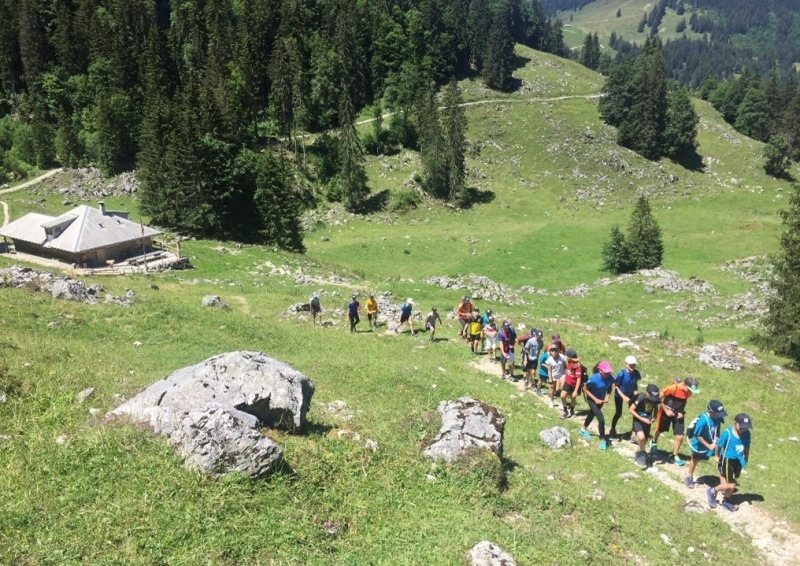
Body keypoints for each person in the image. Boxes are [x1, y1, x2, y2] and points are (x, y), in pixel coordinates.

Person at [650, 376, 700, 466]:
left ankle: (674, 455)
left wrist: (681, 412)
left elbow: (683, 402)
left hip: (678, 414)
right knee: (660, 430)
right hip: (665, 412)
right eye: (688, 389)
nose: (690, 392)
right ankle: (653, 442)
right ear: (684, 384)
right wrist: (666, 410)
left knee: (680, 436)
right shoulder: (673, 388)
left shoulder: (689, 393)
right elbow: (658, 398)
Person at [707, 413, 752, 512]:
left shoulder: (747, 434)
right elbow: (719, 445)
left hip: (738, 460)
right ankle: (711, 491)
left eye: (745, 428)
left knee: (731, 482)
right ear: (735, 423)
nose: (743, 430)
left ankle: (726, 501)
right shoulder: (727, 433)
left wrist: (746, 458)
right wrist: (717, 456)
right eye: (741, 427)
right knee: (731, 485)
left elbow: (747, 446)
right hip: (727, 460)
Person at [686, 400, 728, 488]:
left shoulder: (718, 418)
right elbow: (697, 435)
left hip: (713, 442)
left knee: (720, 460)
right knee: (695, 459)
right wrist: (708, 446)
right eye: (717, 414)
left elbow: (718, 428)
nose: (719, 416)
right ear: (710, 412)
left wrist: (718, 439)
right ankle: (689, 476)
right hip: (700, 444)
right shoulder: (703, 421)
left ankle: (723, 483)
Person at [579, 361, 615, 450]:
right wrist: (595, 399)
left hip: (601, 400)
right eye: (606, 372)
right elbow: (585, 389)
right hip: (592, 400)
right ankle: (603, 440)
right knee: (601, 419)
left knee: (591, 414)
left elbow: (610, 387)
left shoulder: (610, 378)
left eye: (609, 372)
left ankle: (583, 429)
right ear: (600, 371)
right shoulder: (594, 379)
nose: (608, 374)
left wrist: (607, 396)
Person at [609, 355, 641, 441]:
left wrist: (635, 393)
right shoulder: (621, 374)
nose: (632, 366)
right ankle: (612, 429)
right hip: (619, 395)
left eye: (634, 364)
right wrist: (624, 397)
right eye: (630, 365)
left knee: (635, 412)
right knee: (618, 413)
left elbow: (635, 384)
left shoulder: (636, 373)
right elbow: (616, 387)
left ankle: (634, 433)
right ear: (626, 364)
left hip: (631, 395)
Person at [629, 384, 661, 467]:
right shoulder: (641, 398)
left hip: (647, 422)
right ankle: (643, 453)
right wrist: (642, 419)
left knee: (645, 439)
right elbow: (631, 410)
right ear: (646, 393)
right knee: (641, 437)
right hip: (638, 420)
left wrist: (654, 417)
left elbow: (656, 408)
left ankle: (639, 452)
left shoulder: (655, 400)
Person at [559, 348, 584, 418]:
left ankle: (572, 411)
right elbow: (567, 368)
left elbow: (578, 379)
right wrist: (567, 370)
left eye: (567, 355)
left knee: (573, 398)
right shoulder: (569, 362)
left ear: (570, 357)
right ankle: (565, 411)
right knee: (562, 396)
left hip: (574, 384)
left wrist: (575, 391)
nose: (566, 356)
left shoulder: (578, 366)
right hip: (567, 382)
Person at [544, 344, 567, 408]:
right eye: (552, 350)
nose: (554, 352)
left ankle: (562, 402)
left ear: (558, 350)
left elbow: (565, 366)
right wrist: (550, 379)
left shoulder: (562, 357)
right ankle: (551, 400)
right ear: (550, 352)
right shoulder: (549, 359)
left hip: (561, 374)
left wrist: (566, 374)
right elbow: (549, 370)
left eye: (555, 350)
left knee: (563, 388)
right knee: (552, 389)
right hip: (553, 375)